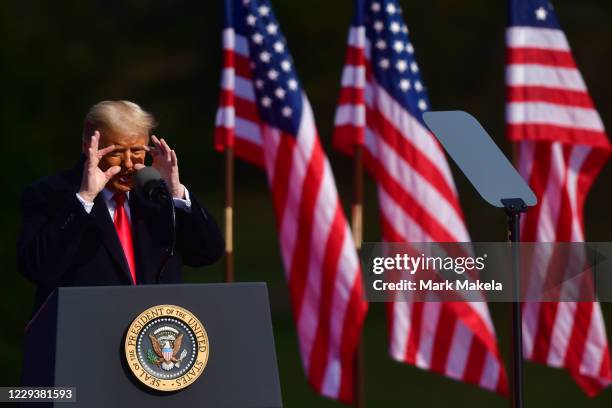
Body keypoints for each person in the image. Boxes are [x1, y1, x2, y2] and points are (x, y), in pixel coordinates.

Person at [17, 100, 225, 313]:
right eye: (116, 152)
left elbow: (207, 253)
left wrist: (175, 191)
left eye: (136, 150)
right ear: (89, 145)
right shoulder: (50, 193)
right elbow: (38, 268)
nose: (128, 163)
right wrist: (85, 199)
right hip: (84, 332)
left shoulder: (157, 196)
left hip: (153, 335)